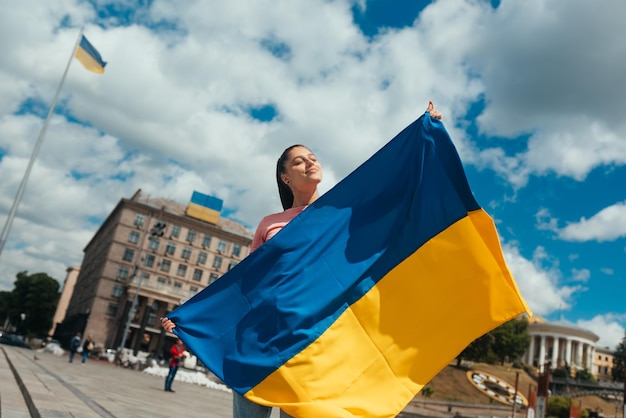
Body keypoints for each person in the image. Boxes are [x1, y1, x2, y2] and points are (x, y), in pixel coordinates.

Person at [161, 102, 442, 416]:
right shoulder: (270, 224)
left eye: (313, 158)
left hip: (310, 342)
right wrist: (191, 318)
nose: (309, 162)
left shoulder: (340, 216)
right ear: (285, 177)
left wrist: (425, 136)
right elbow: (245, 288)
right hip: (260, 341)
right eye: (299, 161)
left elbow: (395, 194)